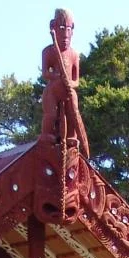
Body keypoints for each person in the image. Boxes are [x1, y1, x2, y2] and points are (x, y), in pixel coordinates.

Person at [40, 8, 88, 155]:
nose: (65, 34)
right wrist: (55, 76)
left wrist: (70, 83)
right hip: (53, 90)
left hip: (68, 91)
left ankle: (71, 137)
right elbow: (45, 73)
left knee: (72, 113)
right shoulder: (48, 51)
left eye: (68, 28)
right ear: (53, 28)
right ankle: (48, 134)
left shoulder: (74, 54)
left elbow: (76, 81)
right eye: (62, 28)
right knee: (51, 114)